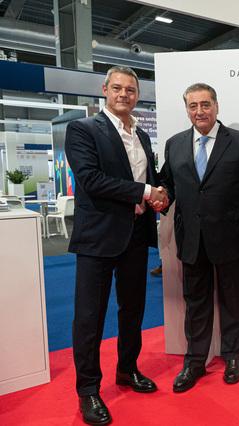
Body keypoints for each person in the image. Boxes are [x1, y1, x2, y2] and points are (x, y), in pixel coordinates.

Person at [65, 66, 168, 425]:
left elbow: (148, 177)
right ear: (105, 90)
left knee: (132, 309)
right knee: (89, 317)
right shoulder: (83, 129)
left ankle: (127, 369)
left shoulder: (142, 135)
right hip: (98, 237)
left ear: (137, 95)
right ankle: (88, 390)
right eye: (118, 88)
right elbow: (91, 180)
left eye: (131, 90)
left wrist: (160, 193)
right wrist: (146, 191)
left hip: (135, 234)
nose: (124, 94)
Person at [160, 83, 239, 392]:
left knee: (232, 300)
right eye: (193, 106)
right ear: (187, 109)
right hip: (191, 239)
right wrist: (158, 197)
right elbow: (168, 185)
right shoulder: (175, 144)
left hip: (231, 238)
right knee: (195, 303)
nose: (199, 111)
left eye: (205, 104)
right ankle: (194, 362)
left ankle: (232, 357)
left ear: (216, 106)